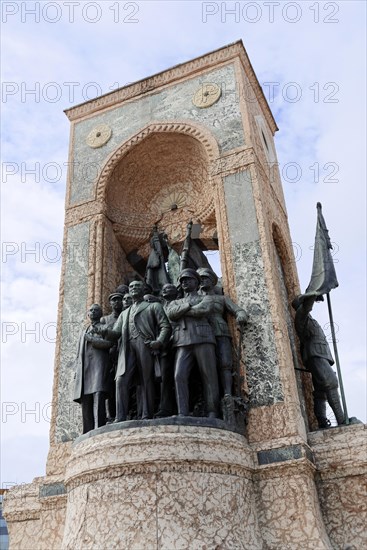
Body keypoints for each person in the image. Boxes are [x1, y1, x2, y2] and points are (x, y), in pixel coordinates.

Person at [101, 280, 171, 421]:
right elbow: (116, 333)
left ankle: (147, 414)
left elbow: (166, 326)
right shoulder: (124, 313)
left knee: (146, 380)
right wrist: (103, 331)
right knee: (121, 380)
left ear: (143, 289)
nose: (133, 288)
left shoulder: (154, 306)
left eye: (137, 286)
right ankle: (120, 417)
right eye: (131, 286)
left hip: (145, 345)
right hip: (128, 348)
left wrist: (159, 341)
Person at [166, 269, 220, 418]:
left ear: (196, 282)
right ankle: (182, 412)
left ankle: (212, 411)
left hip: (203, 338)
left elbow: (203, 310)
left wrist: (182, 310)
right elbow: (171, 314)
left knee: (209, 376)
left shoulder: (207, 298)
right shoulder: (175, 302)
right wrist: (188, 307)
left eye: (188, 279)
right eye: (182, 280)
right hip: (183, 341)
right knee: (179, 375)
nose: (184, 282)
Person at [292, 293, 345, 428]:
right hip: (315, 355)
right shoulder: (301, 315)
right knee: (331, 383)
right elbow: (306, 306)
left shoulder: (309, 319)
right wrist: (313, 295)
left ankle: (322, 421)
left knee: (321, 392)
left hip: (320, 355)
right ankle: (342, 421)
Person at [197, 268, 247, 396]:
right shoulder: (194, 298)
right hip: (200, 335)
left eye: (205, 278)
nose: (202, 281)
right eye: (200, 279)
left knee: (225, 363)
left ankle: (227, 394)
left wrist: (241, 315)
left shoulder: (221, 298)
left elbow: (238, 310)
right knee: (204, 367)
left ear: (212, 281)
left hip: (220, 331)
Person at [73, 304, 113, 433]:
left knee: (99, 394)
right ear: (88, 314)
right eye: (91, 310)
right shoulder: (83, 331)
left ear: (100, 314)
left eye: (96, 310)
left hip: (99, 365)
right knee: (86, 399)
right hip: (85, 369)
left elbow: (110, 344)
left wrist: (92, 339)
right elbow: (79, 352)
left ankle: (99, 427)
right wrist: (76, 371)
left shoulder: (105, 327)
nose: (93, 312)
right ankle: (87, 430)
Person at [100, 292, 124, 422]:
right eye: (113, 300)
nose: (116, 303)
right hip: (110, 356)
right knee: (110, 386)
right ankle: (112, 414)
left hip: (124, 353)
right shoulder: (105, 320)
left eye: (118, 300)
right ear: (110, 303)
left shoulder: (126, 315)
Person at [156, 283, 179, 417]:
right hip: (164, 347)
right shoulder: (159, 307)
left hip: (179, 342)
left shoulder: (179, 303)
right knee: (164, 377)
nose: (165, 289)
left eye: (169, 288)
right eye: (164, 288)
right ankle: (165, 406)